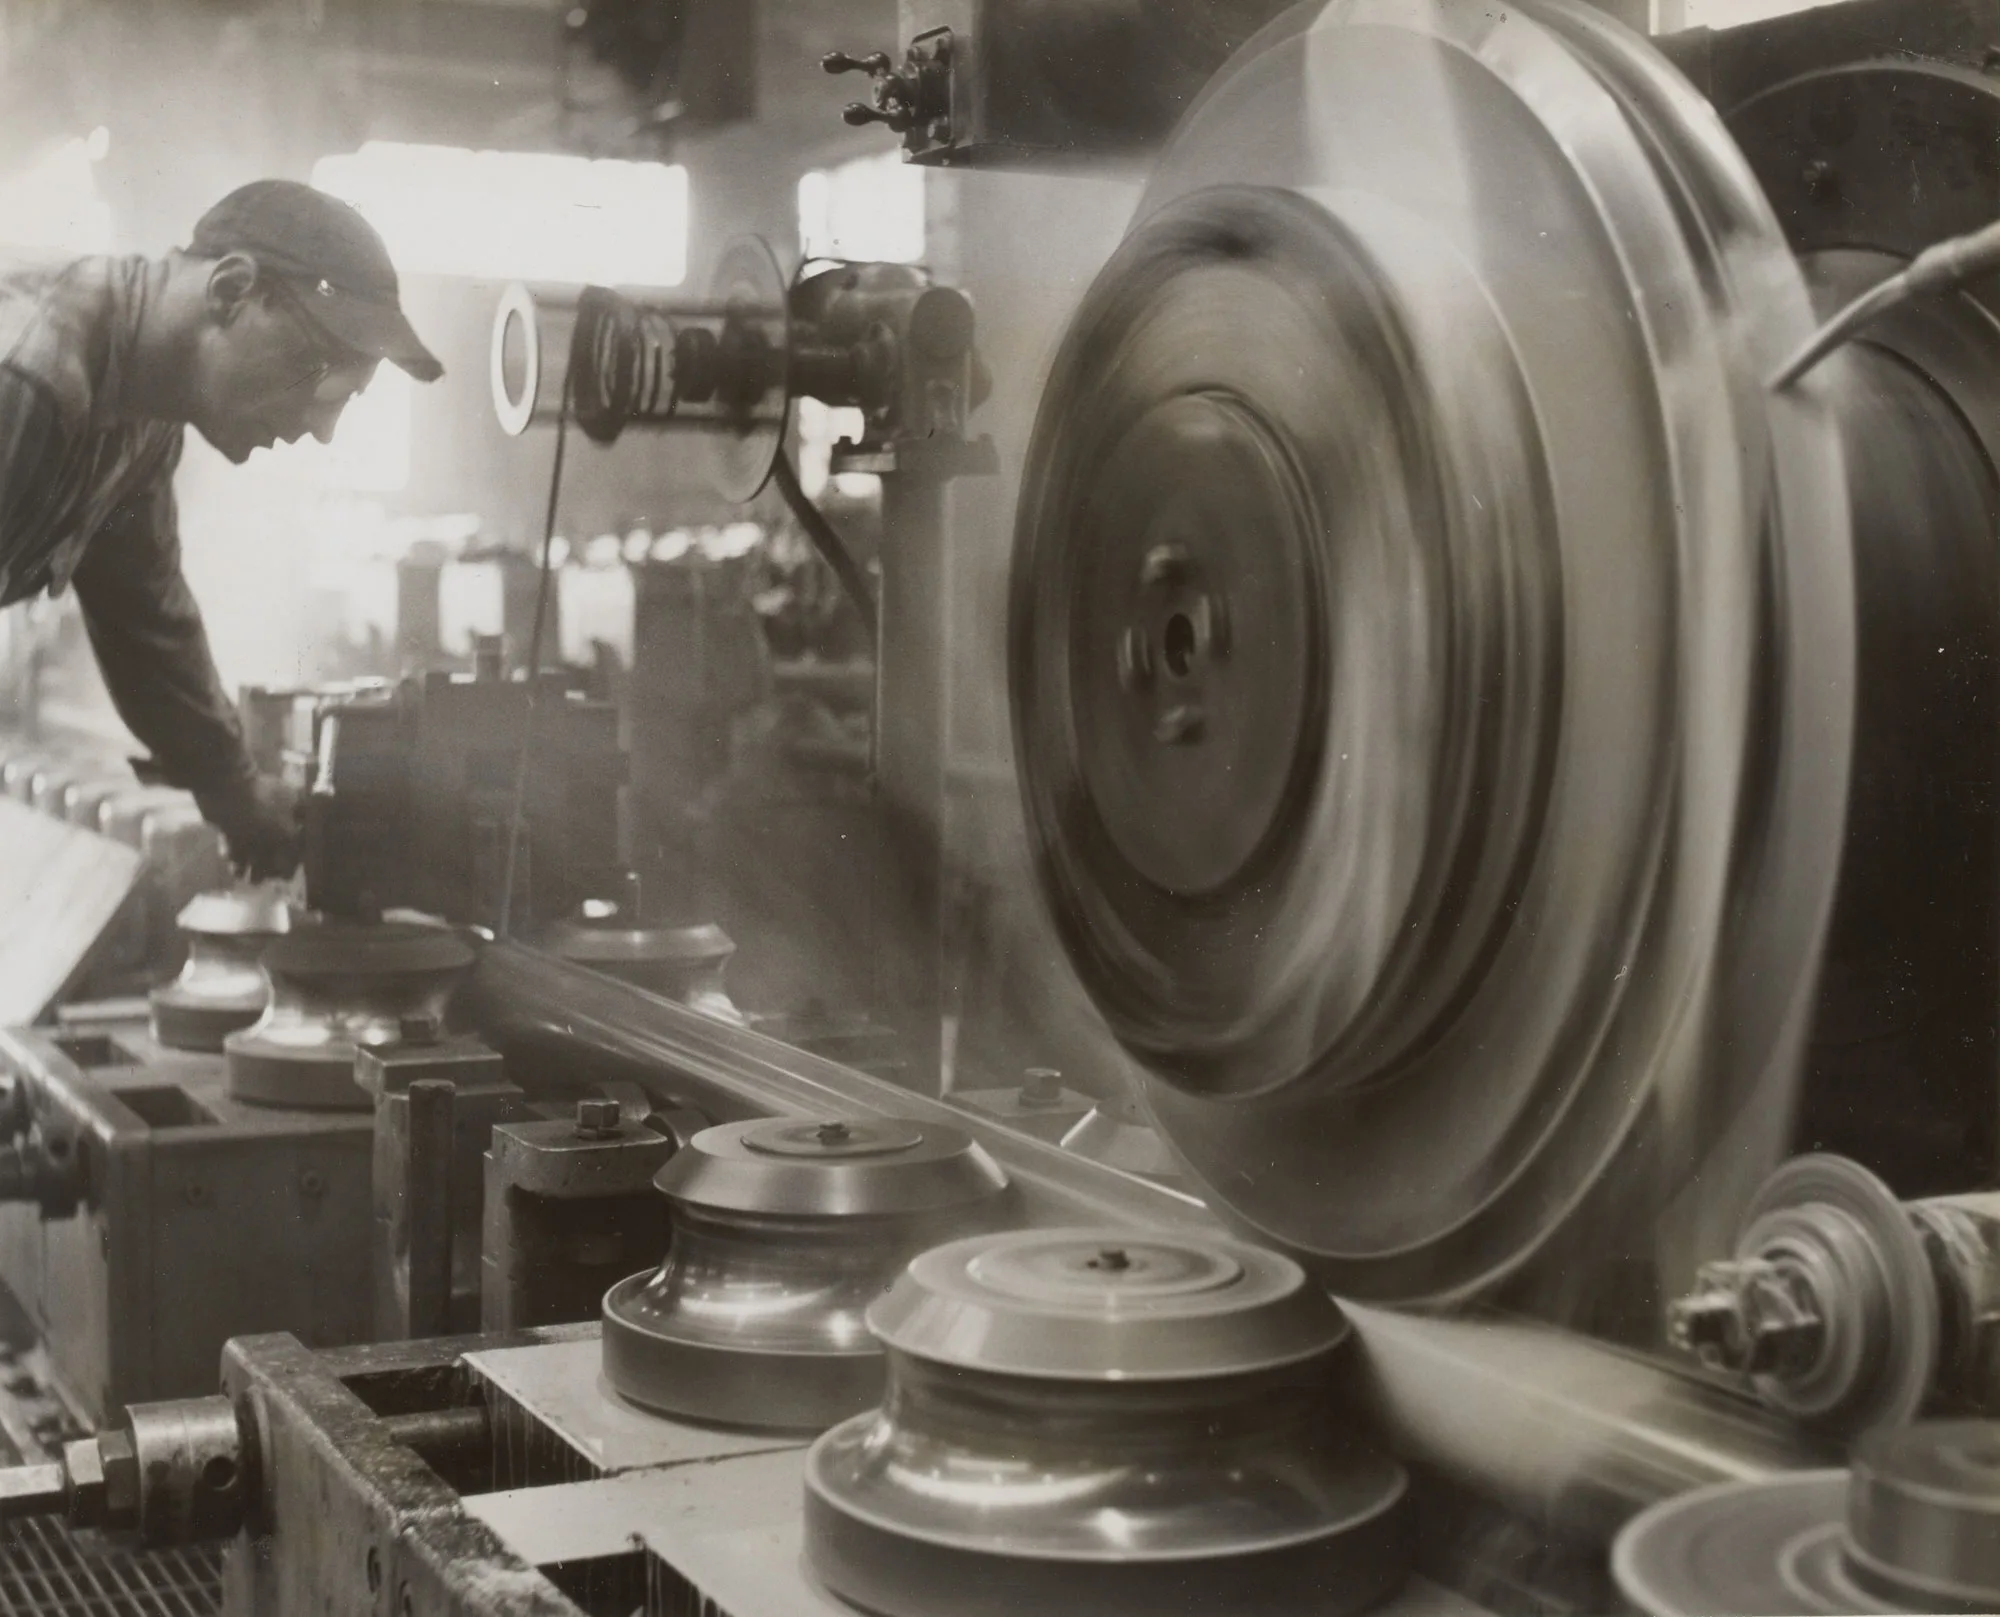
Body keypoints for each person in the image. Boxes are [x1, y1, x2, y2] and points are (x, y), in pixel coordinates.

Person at [0, 179, 443, 877]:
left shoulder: (139, 422)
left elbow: (144, 618)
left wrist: (234, 791)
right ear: (233, 290)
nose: (322, 428)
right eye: (319, 379)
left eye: (347, 402)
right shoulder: (27, 377)